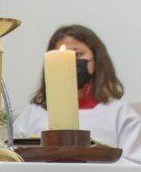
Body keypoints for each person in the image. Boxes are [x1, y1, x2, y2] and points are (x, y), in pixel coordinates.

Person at [13, 24, 141, 164]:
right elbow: (13, 157)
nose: (71, 61)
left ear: (96, 60)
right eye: (60, 55)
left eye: (78, 54)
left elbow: (135, 163)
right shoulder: (33, 114)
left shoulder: (119, 113)